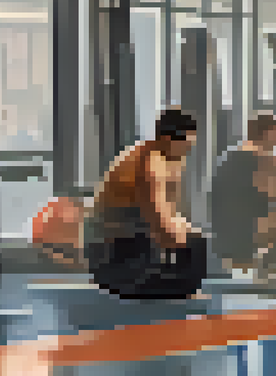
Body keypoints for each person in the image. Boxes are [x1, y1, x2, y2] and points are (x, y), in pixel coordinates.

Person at [86, 106, 209, 299]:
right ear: (168, 140)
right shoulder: (152, 162)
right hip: (115, 258)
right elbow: (160, 223)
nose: (189, 149)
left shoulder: (162, 158)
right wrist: (185, 238)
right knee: (195, 242)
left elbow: (166, 215)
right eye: (187, 144)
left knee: (191, 237)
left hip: (114, 249)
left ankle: (179, 286)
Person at [209, 112, 276, 281]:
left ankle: (262, 266)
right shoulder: (262, 157)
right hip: (242, 232)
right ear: (268, 133)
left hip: (222, 231)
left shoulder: (231, 155)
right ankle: (267, 268)